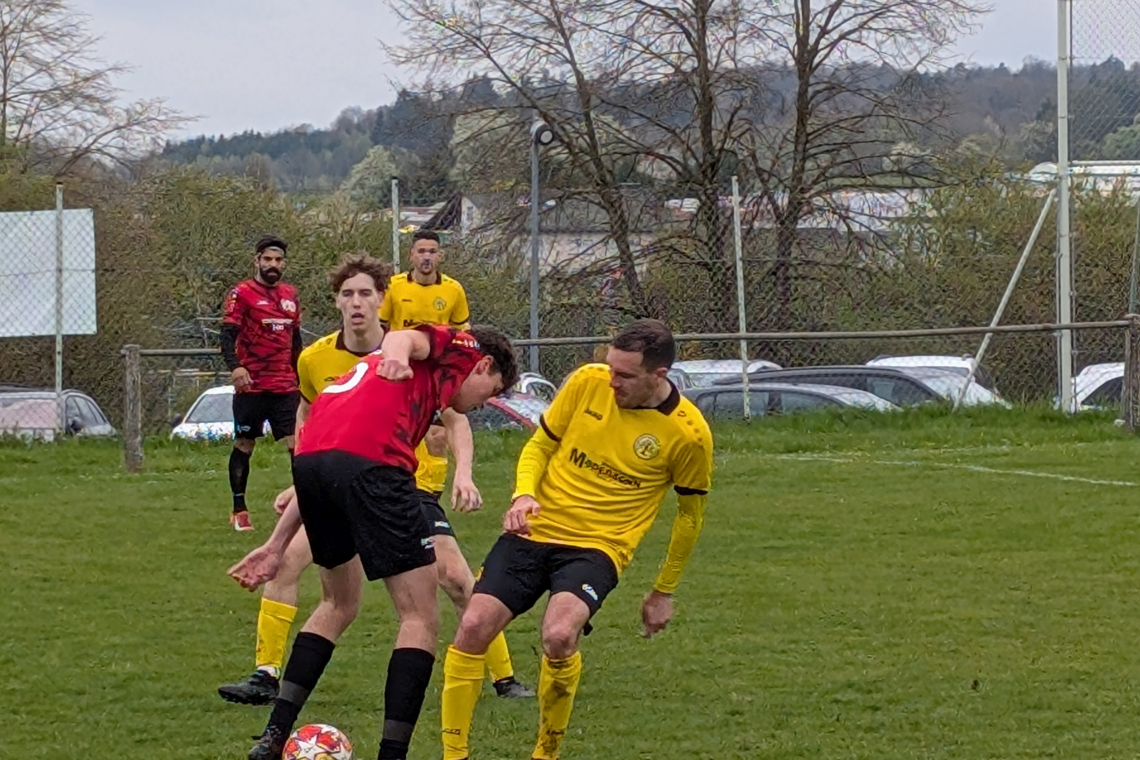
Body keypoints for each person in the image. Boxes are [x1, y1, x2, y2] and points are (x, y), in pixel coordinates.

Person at [218, 253, 533, 705]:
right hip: (340, 482)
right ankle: (266, 675)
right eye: (348, 294)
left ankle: (504, 678)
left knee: (456, 579)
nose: (357, 302)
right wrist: (304, 479)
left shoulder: (414, 350)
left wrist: (463, 474)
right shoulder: (314, 358)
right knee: (286, 561)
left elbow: (456, 416)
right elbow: (311, 416)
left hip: (404, 484)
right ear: (336, 302)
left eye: (366, 292)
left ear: (384, 300)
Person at [439, 318, 715, 760]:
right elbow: (539, 447)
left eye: (625, 375)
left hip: (598, 547)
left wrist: (663, 590)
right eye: (609, 367)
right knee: (472, 626)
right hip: (535, 530)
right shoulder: (587, 383)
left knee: (560, 635)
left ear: (658, 376)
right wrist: (524, 493)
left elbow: (689, 517)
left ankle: (545, 752)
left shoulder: (689, 434)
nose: (612, 380)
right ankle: (454, 755)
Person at [220, 235, 302, 531]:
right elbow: (226, 335)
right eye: (267, 259)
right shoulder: (242, 293)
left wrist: (302, 375)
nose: (273, 265)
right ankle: (239, 509)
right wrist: (236, 367)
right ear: (257, 261)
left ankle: (304, 507)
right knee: (245, 444)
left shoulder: (290, 295)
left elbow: (295, 341)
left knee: (298, 446)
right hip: (251, 386)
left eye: (278, 260)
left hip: (284, 387)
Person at [380, 229, 470, 332]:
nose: (427, 257)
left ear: (439, 256)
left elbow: (461, 329)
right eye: (421, 251)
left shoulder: (454, 289)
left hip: (439, 347)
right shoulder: (392, 286)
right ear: (411, 255)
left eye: (432, 252)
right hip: (402, 346)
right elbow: (379, 324)